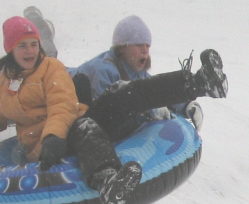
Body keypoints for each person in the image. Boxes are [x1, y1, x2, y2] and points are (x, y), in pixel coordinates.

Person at [0, 15, 227, 204]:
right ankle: (108, 182)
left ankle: (199, 82)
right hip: (48, 146)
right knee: (85, 127)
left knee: (122, 94)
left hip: (68, 127)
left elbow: (62, 104)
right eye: (22, 45)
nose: (30, 51)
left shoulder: (51, 68)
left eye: (33, 44)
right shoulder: (1, 87)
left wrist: (54, 135)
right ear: (11, 49)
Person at [68, 15, 211, 136]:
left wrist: (186, 105)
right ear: (122, 47)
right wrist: (148, 111)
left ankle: (195, 85)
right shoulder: (102, 70)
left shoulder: (134, 70)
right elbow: (106, 113)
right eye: (138, 45)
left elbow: (154, 90)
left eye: (147, 46)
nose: (145, 51)